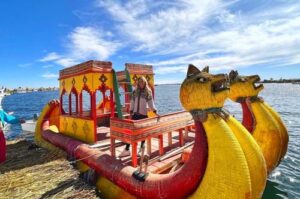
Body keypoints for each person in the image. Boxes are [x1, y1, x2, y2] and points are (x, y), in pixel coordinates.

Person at [119, 76, 157, 157]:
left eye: (142, 82)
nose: (141, 83)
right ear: (138, 83)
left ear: (145, 82)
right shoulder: (135, 92)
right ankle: (126, 150)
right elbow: (132, 101)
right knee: (130, 133)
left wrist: (155, 111)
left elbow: (151, 103)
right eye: (139, 82)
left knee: (143, 134)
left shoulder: (148, 92)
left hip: (143, 115)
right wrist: (131, 110)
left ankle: (141, 150)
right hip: (135, 115)